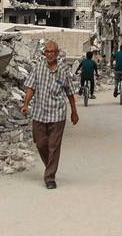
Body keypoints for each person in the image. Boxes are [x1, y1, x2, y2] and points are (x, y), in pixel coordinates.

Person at [20, 41, 79, 189]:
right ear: (44, 53)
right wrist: (26, 104)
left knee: (53, 145)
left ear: (57, 53)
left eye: (52, 51)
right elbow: (31, 87)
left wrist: (74, 112)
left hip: (57, 114)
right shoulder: (38, 68)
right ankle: (50, 167)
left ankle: (50, 177)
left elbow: (70, 93)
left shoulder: (64, 70)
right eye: (47, 51)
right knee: (40, 144)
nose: (50, 54)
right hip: (39, 113)